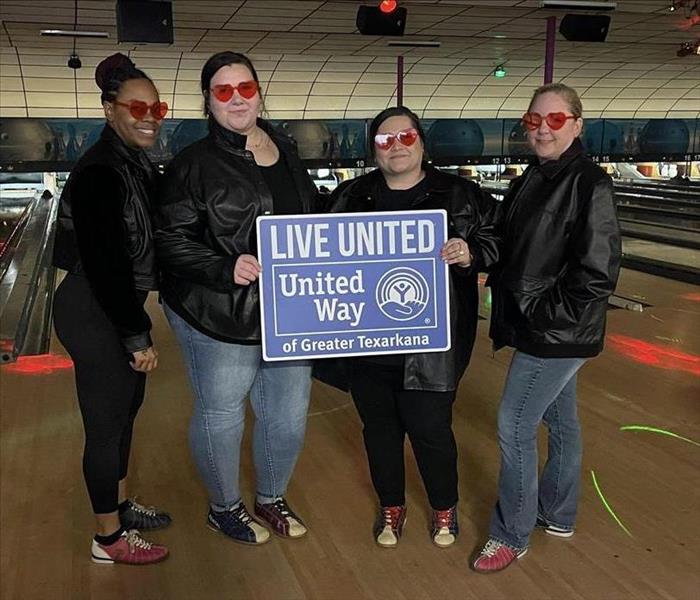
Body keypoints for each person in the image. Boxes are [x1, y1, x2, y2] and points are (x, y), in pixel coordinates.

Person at [315, 106, 499, 548]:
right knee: (379, 432)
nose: (396, 146)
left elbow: (498, 237)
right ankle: (391, 506)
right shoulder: (351, 195)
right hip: (367, 341)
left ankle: (443, 507)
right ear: (373, 149)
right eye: (384, 139)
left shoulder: (460, 195)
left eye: (405, 137)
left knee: (430, 429)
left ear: (421, 141)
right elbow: (315, 251)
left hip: (433, 344)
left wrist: (471, 251)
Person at [154, 51, 317, 545]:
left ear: (258, 90)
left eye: (245, 88)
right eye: (223, 92)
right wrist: (225, 266)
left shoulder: (284, 148)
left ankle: (270, 497)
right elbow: (171, 239)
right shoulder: (192, 164)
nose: (237, 99)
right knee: (222, 415)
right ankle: (223, 507)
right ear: (208, 101)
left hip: (288, 307)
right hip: (217, 310)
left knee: (287, 414)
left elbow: (308, 217)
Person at [472, 83, 621, 573]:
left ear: (577, 125)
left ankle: (510, 534)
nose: (542, 129)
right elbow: (510, 241)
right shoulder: (531, 176)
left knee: (513, 424)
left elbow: (596, 274)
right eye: (534, 120)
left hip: (556, 331)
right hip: (546, 326)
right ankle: (557, 513)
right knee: (561, 420)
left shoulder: (589, 183)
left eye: (555, 120)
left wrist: (541, 317)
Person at [52, 53, 171, 565]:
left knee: (125, 415)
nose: (148, 116)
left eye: (157, 107)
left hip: (112, 306)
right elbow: (105, 265)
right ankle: (107, 539)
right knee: (105, 424)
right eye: (136, 107)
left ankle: (120, 505)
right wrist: (135, 334)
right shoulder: (102, 170)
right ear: (110, 110)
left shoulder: (133, 164)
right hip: (95, 308)